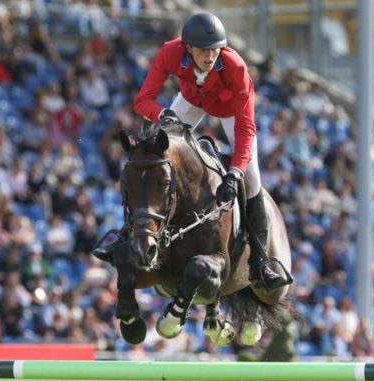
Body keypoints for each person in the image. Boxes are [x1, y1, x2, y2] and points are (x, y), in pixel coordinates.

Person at [93, 12, 287, 291]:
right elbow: (142, 101)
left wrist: (235, 172)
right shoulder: (170, 53)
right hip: (191, 101)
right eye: (203, 50)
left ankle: (260, 261)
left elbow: (246, 128)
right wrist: (163, 114)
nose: (210, 56)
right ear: (187, 48)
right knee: (156, 159)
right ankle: (127, 237)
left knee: (251, 177)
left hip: (230, 111)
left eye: (215, 49)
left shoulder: (235, 67)